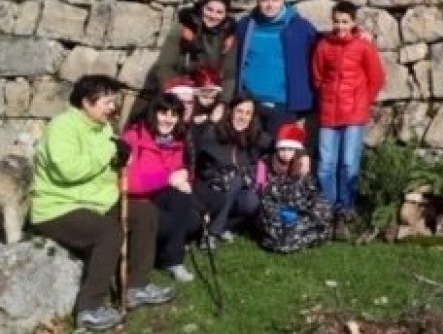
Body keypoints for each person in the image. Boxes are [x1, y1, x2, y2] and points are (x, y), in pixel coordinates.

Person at [30, 75, 175, 331]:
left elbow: (107, 164)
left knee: (145, 214)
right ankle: (90, 307)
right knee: (108, 232)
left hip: (97, 201)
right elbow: (69, 170)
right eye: (107, 102)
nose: (112, 107)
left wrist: (121, 160)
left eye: (113, 101)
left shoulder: (103, 126)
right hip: (59, 208)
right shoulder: (62, 128)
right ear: (86, 102)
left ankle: (136, 287)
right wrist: (109, 152)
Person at [311, 0, 386, 238]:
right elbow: (317, 75)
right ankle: (329, 208)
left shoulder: (363, 46)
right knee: (325, 166)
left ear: (353, 22)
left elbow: (376, 78)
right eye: (337, 21)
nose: (341, 26)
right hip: (329, 113)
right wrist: (326, 95)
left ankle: (347, 208)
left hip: (354, 113)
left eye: (345, 21)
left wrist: (363, 101)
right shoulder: (323, 45)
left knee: (348, 164)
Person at [122, 92, 203, 283]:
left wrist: (184, 173)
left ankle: (169, 257)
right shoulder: (133, 137)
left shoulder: (175, 141)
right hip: (136, 201)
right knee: (176, 220)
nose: (169, 119)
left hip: (161, 199)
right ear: (153, 113)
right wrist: (167, 178)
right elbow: (129, 182)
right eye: (163, 113)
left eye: (174, 115)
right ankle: (169, 257)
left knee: (191, 218)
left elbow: (178, 170)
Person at [236, 0, 318, 135]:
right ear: (258, 1)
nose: (270, 5)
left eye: (275, 0)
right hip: (250, 102)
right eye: (265, 0)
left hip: (283, 104)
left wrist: (357, 33)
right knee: (249, 151)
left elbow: (323, 45)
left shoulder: (299, 26)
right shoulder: (246, 26)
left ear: (283, 0)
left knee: (278, 152)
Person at [194, 95, 269, 242]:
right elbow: (195, 141)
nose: (243, 117)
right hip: (211, 187)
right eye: (239, 111)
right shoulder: (213, 132)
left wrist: (301, 155)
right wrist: (208, 120)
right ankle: (211, 233)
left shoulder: (253, 136)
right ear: (230, 112)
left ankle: (223, 227)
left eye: (248, 113)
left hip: (235, 189)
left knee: (251, 201)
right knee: (234, 179)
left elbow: (276, 145)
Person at [258, 124, 334, 253]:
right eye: (282, 149)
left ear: (296, 150)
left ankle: (298, 234)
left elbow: (310, 193)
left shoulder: (301, 165)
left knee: (321, 209)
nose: (285, 153)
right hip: (275, 211)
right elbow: (261, 189)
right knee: (277, 229)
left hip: (298, 210)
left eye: (290, 149)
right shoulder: (266, 162)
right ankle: (285, 238)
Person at [154, 0, 237, 94]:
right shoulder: (183, 29)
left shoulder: (229, 37)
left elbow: (229, 74)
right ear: (202, 7)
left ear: (226, 15)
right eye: (209, 9)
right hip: (180, 91)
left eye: (219, 12)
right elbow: (164, 66)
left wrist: (222, 103)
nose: (212, 16)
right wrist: (175, 91)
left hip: (210, 94)